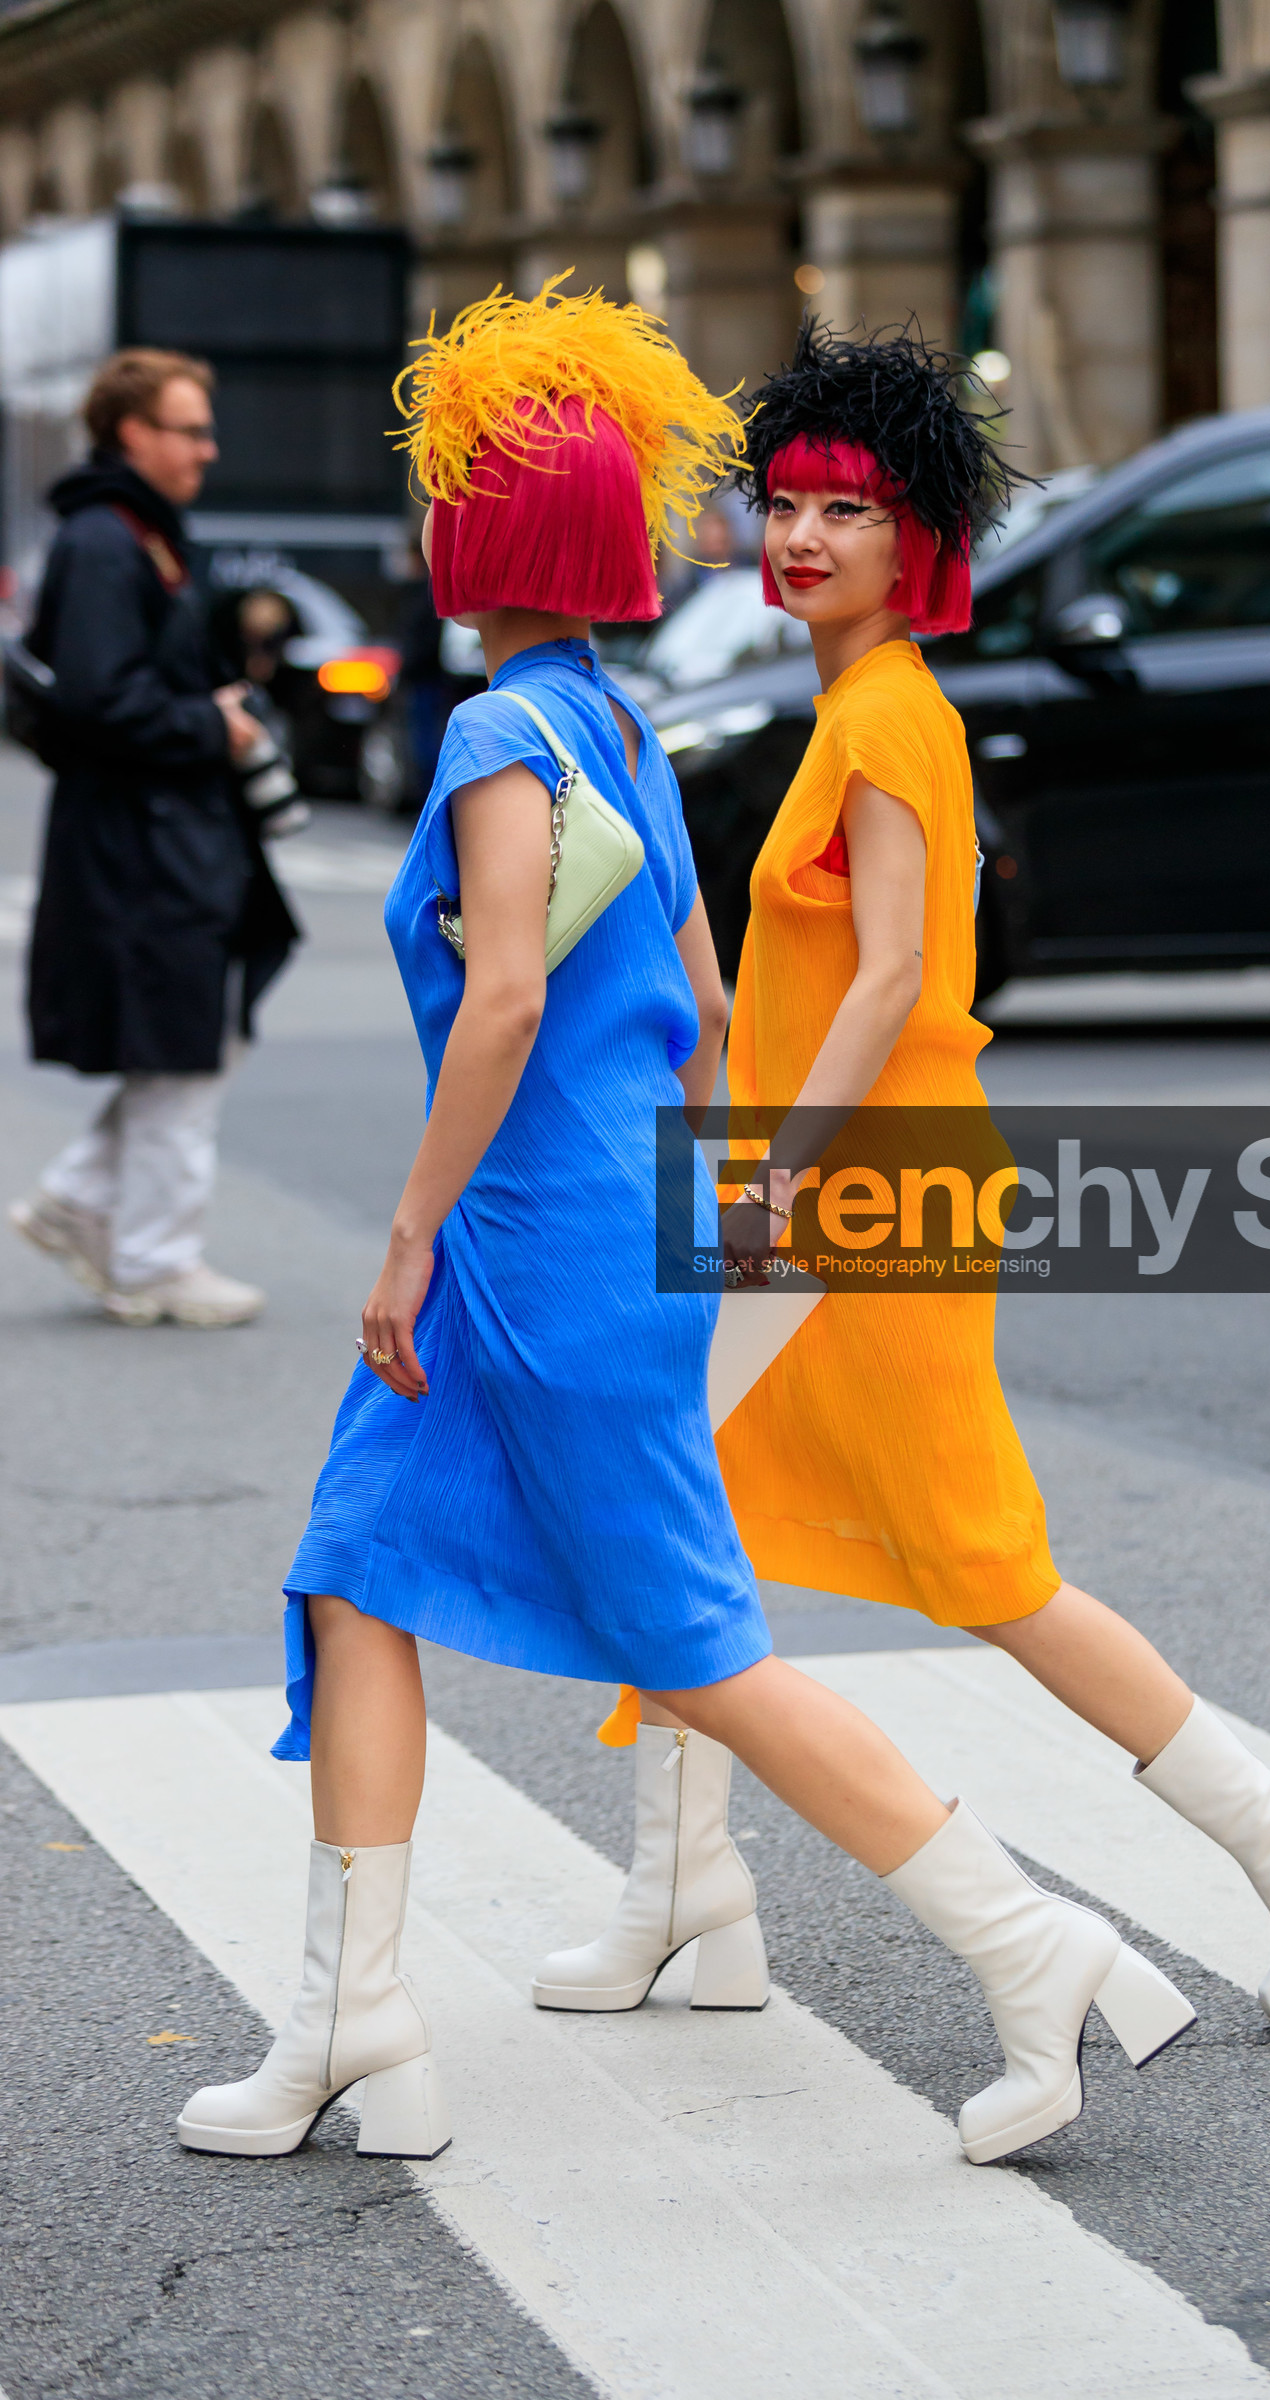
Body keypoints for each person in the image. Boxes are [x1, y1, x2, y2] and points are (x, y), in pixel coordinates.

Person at [176, 283, 1195, 2174]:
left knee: (700, 1643)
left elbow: (498, 1005)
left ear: (478, 527)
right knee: (353, 1567)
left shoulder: (499, 735)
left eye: (444, 483)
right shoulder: (614, 727)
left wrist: (406, 1235)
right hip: (583, 1236)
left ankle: (1029, 1941)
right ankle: (351, 2023)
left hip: (533, 1256)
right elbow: (703, 1000)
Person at [589, 321, 1270, 2045]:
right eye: (788, 502)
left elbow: (895, 979)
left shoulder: (890, 720)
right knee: (688, 1518)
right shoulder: (853, 712)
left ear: (922, 546)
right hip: (819, 1179)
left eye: (849, 509)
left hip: (861, 1194)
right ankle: (684, 1897)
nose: (804, 535)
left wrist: (771, 1189)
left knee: (973, 1561)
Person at [9, 348, 298, 1326]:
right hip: (144, 844)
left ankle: (80, 1204)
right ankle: (154, 1259)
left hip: (154, 835)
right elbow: (100, 698)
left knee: (185, 1041)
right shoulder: (108, 540)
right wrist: (209, 724)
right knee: (183, 1048)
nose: (207, 451)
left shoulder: (127, 532)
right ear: (132, 433)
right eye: (189, 430)